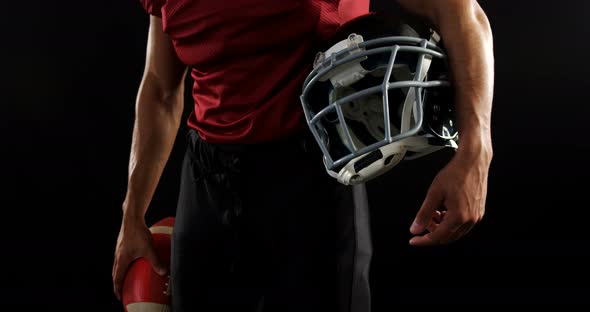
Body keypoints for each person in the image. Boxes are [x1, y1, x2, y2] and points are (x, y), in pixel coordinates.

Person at [112, 0, 494, 311]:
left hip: (313, 184)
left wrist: (476, 152)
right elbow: (161, 88)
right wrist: (132, 215)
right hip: (207, 185)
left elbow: (460, 12)